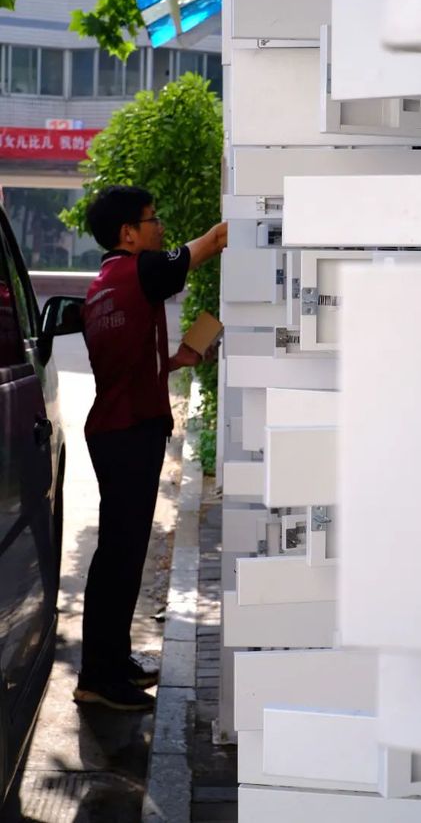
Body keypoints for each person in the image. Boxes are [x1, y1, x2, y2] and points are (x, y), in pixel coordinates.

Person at [73, 185, 227, 712]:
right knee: (119, 558)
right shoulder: (139, 271)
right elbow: (215, 240)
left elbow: (129, 360)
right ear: (128, 233)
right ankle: (99, 677)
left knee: (121, 554)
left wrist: (178, 359)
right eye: (152, 219)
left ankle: (112, 663)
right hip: (129, 432)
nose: (160, 227)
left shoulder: (103, 285)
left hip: (115, 430)